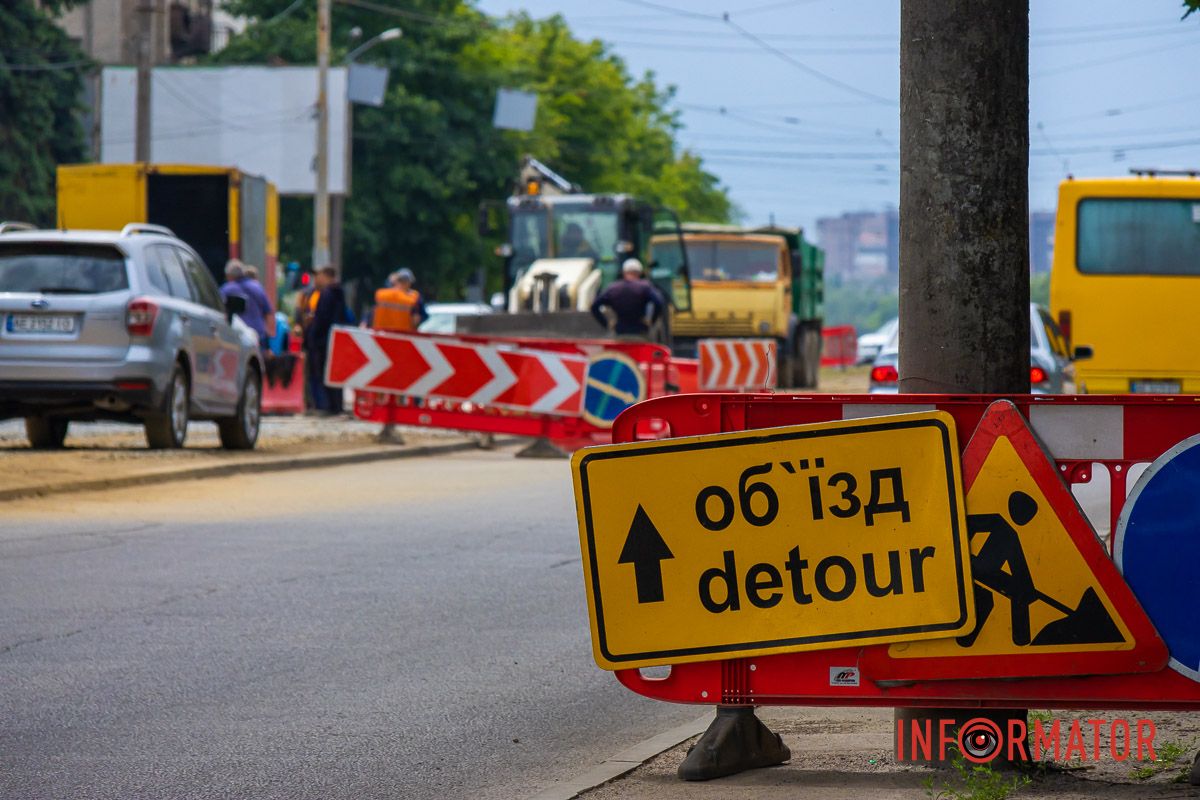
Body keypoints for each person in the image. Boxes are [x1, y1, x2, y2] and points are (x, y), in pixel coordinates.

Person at [304, 265, 347, 415]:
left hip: (323, 340)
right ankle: (335, 405)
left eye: (319, 275)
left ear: (327, 276)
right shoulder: (337, 292)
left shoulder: (328, 293)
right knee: (333, 373)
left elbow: (323, 318)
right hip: (333, 338)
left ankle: (331, 406)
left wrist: (314, 336)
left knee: (326, 373)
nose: (317, 279)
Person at [589, 258, 665, 339]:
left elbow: (594, 306)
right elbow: (658, 302)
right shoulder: (645, 286)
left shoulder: (613, 288)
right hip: (640, 332)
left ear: (624, 272)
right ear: (639, 273)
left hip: (619, 332)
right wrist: (651, 321)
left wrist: (606, 324)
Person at [218, 259, 273, 346]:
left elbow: (219, 311)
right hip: (259, 336)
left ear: (229, 276)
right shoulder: (257, 287)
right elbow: (268, 312)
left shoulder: (226, 289)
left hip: (237, 335)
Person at [372, 268, 426, 333]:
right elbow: (416, 319)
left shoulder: (380, 294)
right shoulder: (414, 298)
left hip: (380, 334)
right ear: (409, 282)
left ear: (396, 281)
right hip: (403, 336)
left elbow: (372, 313)